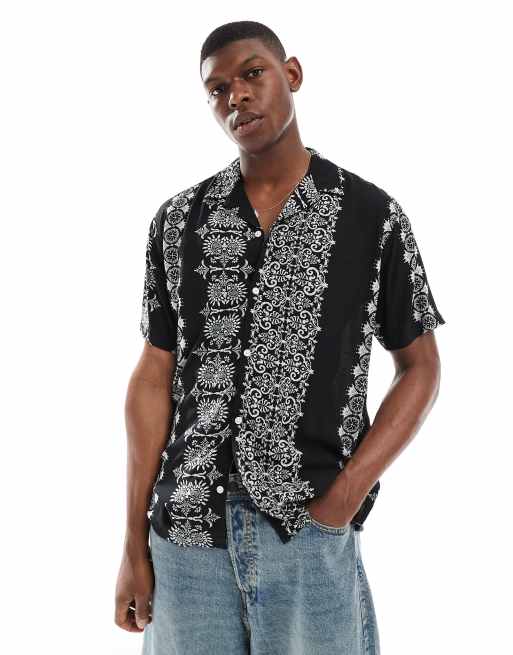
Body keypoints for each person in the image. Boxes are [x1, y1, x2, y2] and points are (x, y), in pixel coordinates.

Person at [114, 20, 446, 655]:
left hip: (306, 533)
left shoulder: (371, 217)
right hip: (185, 542)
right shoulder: (178, 221)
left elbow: (421, 367)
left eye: (252, 74)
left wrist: (344, 496)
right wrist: (133, 543)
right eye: (217, 89)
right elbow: (153, 376)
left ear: (291, 74)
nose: (235, 96)